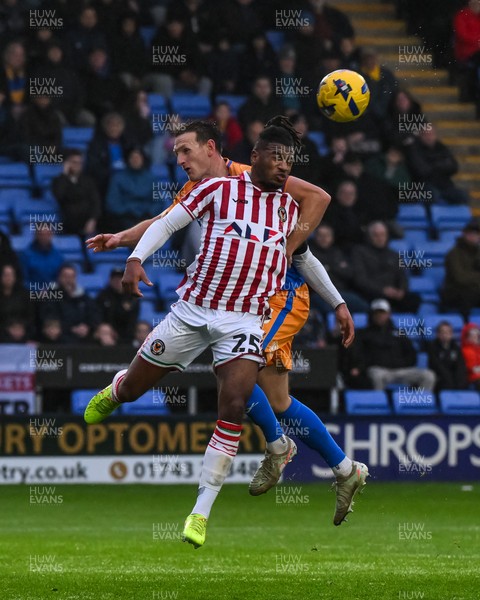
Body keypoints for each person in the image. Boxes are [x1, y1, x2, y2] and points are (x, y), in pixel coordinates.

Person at [86, 118, 367, 537]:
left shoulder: (287, 206)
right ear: (254, 157)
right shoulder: (214, 189)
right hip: (193, 311)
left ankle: (204, 509)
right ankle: (119, 388)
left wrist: (338, 301)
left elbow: (309, 239)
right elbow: (166, 222)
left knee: (233, 401)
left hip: (253, 312)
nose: (284, 168)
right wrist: (131, 252)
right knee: (267, 398)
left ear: (212, 149)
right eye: (276, 159)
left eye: (186, 151)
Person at [350, 299, 436, 391]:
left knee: (428, 376)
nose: (380, 316)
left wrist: (401, 364)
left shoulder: (399, 333)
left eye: (382, 313)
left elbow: (411, 353)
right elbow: (359, 355)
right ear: (371, 314)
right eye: (376, 313)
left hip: (401, 370)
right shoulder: (363, 334)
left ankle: (418, 404)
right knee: (377, 377)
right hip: (379, 370)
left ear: (389, 314)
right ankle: (379, 403)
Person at [352, 221, 421, 313]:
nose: (380, 238)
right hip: (372, 293)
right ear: (369, 236)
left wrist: (401, 290)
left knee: (414, 299)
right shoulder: (359, 252)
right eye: (376, 235)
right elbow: (360, 280)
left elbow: (402, 277)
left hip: (394, 295)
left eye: (382, 235)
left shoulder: (394, 255)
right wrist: (383, 290)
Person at [309, 224, 369, 313]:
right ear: (315, 237)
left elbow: (349, 273)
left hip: (341, 292)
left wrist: (329, 268)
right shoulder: (309, 253)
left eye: (327, 235)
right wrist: (337, 267)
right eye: (320, 235)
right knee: (330, 309)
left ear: (332, 237)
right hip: (319, 294)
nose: (324, 238)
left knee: (365, 307)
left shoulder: (337, 252)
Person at [405, 126, 470, 204]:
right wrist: (442, 165)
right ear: (420, 136)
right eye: (426, 134)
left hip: (444, 185)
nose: (429, 137)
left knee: (462, 195)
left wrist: (433, 164)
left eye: (431, 134)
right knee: (433, 195)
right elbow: (423, 171)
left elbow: (454, 167)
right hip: (424, 185)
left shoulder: (441, 147)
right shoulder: (415, 149)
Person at [40, 263, 100, 343]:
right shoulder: (51, 296)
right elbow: (49, 317)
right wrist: (71, 328)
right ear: (59, 278)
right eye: (65, 276)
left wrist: (87, 326)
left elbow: (94, 314)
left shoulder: (83, 297)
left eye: (72, 277)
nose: (69, 280)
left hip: (83, 334)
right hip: (61, 334)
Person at [104, 147, 157, 231]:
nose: (135, 160)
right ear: (128, 159)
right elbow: (112, 203)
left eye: (138, 157)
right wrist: (127, 211)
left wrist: (149, 213)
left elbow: (158, 202)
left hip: (147, 218)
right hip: (124, 219)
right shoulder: (118, 178)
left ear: (143, 159)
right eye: (132, 157)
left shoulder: (151, 178)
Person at [52, 149, 101, 236]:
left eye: (80, 163)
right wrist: (64, 174)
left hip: (87, 221)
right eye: (74, 162)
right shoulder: (59, 180)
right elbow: (59, 195)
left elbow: (95, 202)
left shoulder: (88, 181)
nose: (77, 165)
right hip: (68, 222)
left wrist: (92, 220)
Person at [442, 219, 480, 320]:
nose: (474, 237)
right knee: (467, 294)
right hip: (454, 291)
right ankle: (466, 326)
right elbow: (460, 278)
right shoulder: (454, 254)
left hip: (475, 290)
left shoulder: (478, 253)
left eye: (476, 234)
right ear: (464, 234)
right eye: (471, 233)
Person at [96, 268, 139, 343]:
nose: (118, 281)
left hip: (126, 334)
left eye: (120, 279)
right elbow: (98, 316)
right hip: (108, 332)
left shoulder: (132, 297)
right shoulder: (103, 296)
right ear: (110, 280)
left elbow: (133, 319)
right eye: (115, 279)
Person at [426, 321, 467, 392]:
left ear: (451, 334)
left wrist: (459, 381)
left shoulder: (456, 347)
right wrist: (448, 378)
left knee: (462, 381)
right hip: (440, 378)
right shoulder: (432, 347)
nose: (445, 335)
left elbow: (460, 365)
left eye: (448, 332)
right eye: (442, 332)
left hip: (454, 378)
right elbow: (436, 365)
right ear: (438, 334)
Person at [0, 264, 33, 339]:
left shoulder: (25, 295)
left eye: (10, 275)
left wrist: (20, 327)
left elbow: (30, 316)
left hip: (23, 332)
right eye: (5, 275)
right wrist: (8, 329)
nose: (8, 278)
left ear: (15, 277)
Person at [461, 323, 480, 390]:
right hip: (473, 378)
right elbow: (473, 369)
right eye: (473, 335)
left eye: (477, 335)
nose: (476, 338)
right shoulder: (466, 351)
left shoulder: (478, 349)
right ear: (467, 337)